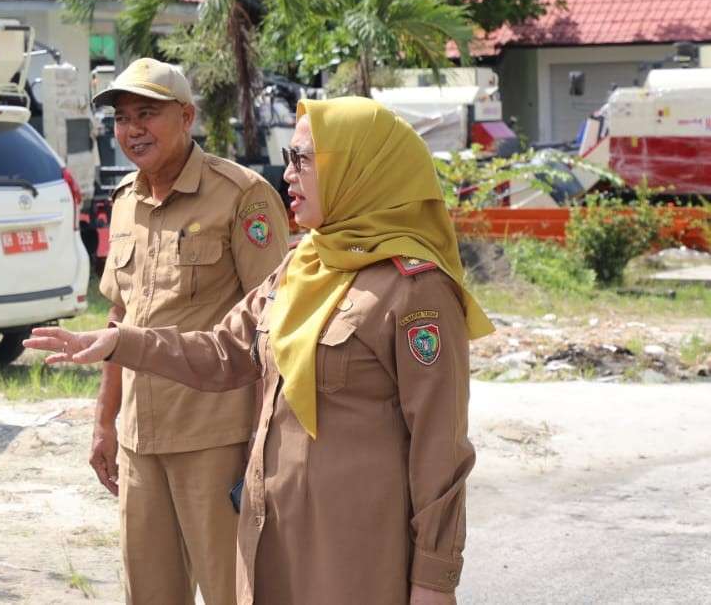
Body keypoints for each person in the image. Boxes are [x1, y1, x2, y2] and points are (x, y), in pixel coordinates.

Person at [29, 97, 494, 605]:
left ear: (359, 169)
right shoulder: (304, 266)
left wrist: (433, 577)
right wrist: (121, 342)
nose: (288, 176)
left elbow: (440, 448)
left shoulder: (414, 290)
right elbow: (225, 351)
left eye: (304, 160)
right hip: (272, 537)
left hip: (358, 553)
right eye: (288, 158)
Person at [89, 58, 289, 605]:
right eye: (122, 117)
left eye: (147, 114)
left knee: (235, 591)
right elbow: (118, 322)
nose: (132, 129)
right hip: (140, 440)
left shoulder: (240, 195)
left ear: (186, 116)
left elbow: (275, 325)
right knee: (148, 594)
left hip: (217, 439)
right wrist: (104, 421)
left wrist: (264, 444)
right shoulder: (126, 201)